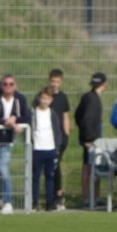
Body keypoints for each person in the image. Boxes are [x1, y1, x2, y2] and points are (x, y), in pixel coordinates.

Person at [0, 74, 31, 215]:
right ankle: (0, 198)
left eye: (11, 84)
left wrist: (15, 118)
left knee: (3, 169)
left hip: (6, 142)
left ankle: (8, 201)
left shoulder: (20, 99)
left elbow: (26, 116)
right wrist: (6, 122)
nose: (8, 86)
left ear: (16, 85)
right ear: (1, 85)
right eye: (5, 84)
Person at [74, 72, 107, 204]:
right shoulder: (91, 99)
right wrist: (87, 139)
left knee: (94, 166)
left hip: (93, 138)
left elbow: (77, 115)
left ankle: (95, 196)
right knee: (88, 167)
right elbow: (85, 118)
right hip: (91, 139)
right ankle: (88, 197)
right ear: (105, 84)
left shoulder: (89, 97)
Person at [30, 88, 63, 211]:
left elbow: (57, 131)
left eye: (48, 99)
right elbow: (30, 129)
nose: (45, 101)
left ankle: (50, 202)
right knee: (36, 176)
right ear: (39, 98)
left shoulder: (52, 113)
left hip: (50, 149)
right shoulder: (33, 112)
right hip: (37, 149)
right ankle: (35, 202)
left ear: (51, 100)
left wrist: (57, 148)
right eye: (43, 98)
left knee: (50, 176)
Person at [47, 69, 71, 210]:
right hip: (46, 138)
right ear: (49, 80)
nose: (55, 84)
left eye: (58, 82)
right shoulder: (45, 96)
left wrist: (66, 135)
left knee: (56, 166)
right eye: (53, 81)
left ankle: (58, 195)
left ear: (61, 82)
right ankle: (49, 196)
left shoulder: (63, 97)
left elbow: (65, 117)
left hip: (59, 138)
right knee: (48, 167)